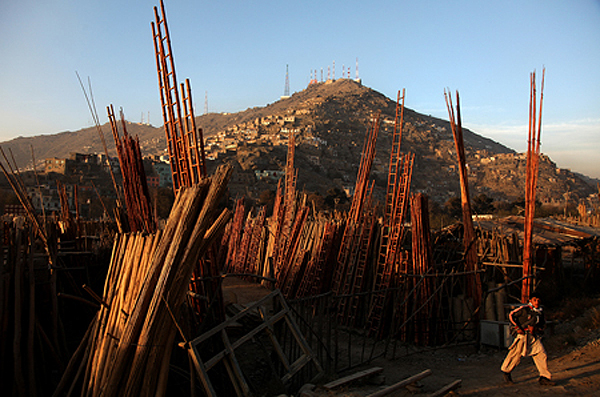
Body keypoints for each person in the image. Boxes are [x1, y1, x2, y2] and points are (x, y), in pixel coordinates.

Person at [501, 292, 555, 386]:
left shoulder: (540, 312)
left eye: (538, 300)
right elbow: (511, 316)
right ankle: (507, 372)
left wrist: (536, 330)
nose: (537, 302)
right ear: (530, 301)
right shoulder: (524, 310)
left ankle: (544, 377)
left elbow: (542, 325)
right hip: (522, 336)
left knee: (541, 354)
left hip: (533, 337)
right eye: (534, 300)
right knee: (515, 354)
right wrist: (518, 328)